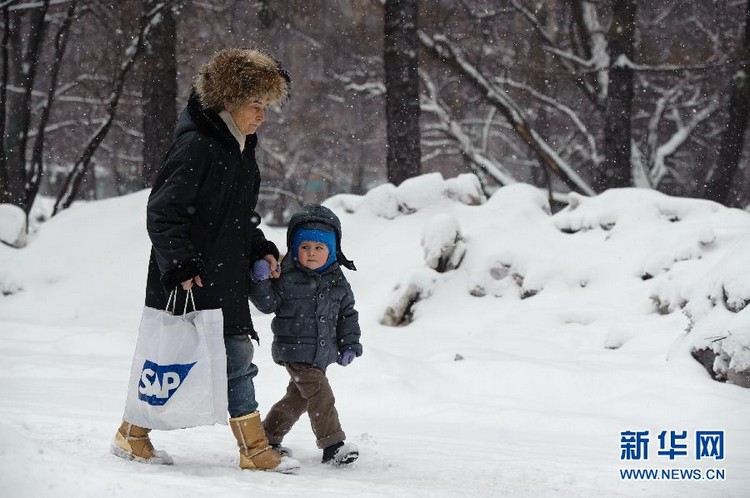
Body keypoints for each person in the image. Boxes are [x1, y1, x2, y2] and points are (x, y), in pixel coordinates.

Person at [112, 48, 299, 473]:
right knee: (211, 358)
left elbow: (235, 217)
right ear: (230, 102)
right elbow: (162, 212)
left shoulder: (240, 146)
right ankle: (253, 450)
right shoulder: (197, 146)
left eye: (266, 108)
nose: (262, 117)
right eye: (257, 106)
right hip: (191, 278)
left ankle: (132, 433)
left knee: (200, 359)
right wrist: (179, 266)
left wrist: (260, 247)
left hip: (222, 275)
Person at [249, 204, 363, 466]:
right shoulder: (286, 276)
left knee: (297, 399)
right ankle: (333, 445)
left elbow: (347, 314)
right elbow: (268, 305)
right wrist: (260, 281)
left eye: (319, 248)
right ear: (294, 248)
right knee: (321, 395)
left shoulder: (338, 280)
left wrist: (350, 344)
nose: (311, 253)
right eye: (305, 247)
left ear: (332, 251)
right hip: (295, 350)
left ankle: (267, 437)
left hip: (322, 353)